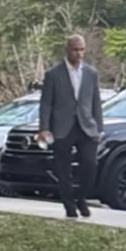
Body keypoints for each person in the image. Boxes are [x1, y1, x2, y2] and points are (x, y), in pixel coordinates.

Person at [38, 34, 104, 218]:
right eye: (75, 49)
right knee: (63, 169)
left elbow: (95, 101)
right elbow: (46, 103)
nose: (79, 53)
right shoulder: (53, 74)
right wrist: (44, 127)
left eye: (82, 49)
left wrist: (99, 128)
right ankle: (69, 206)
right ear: (67, 50)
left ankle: (80, 197)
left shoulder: (91, 73)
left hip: (86, 127)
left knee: (90, 165)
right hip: (62, 128)